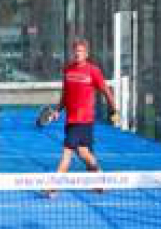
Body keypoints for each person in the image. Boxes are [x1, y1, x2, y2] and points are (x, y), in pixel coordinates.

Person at [44, 39, 120, 198]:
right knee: (84, 153)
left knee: (66, 153)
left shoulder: (93, 71)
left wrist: (114, 110)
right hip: (71, 120)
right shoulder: (68, 70)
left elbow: (106, 91)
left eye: (81, 51)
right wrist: (58, 110)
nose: (77, 54)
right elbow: (65, 95)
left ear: (86, 54)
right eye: (76, 51)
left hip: (84, 120)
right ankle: (100, 181)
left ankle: (53, 187)